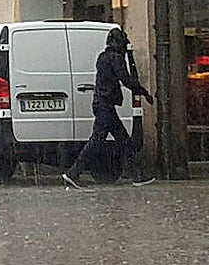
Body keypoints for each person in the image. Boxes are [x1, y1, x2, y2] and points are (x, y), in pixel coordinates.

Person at [63, 26, 154, 188]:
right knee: (98, 141)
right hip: (105, 107)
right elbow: (125, 79)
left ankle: (138, 176)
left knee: (123, 141)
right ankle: (73, 173)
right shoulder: (115, 58)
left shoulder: (103, 57)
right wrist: (144, 92)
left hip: (102, 105)